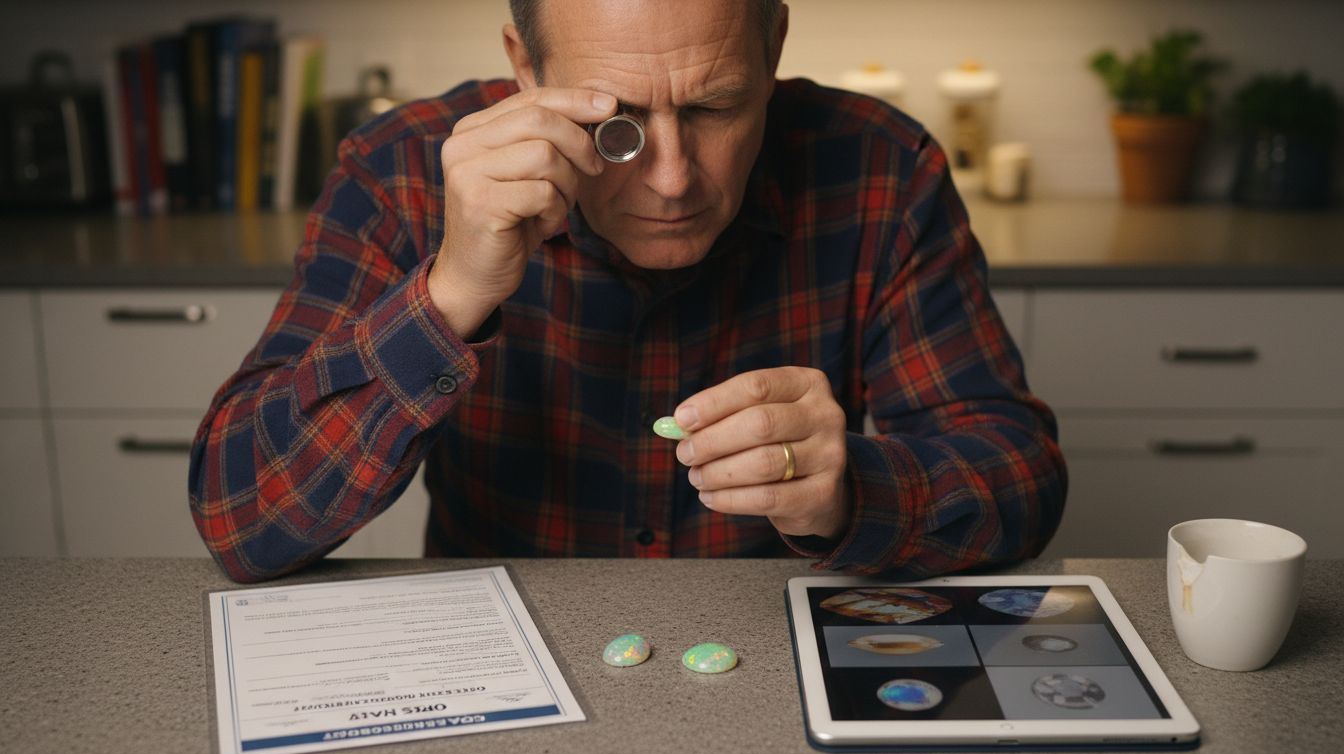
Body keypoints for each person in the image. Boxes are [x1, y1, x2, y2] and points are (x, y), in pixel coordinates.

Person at [189, 0, 1066, 583]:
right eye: (617, 123)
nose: (673, 180)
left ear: (773, 50)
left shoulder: (881, 169)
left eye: (715, 109)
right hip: (502, 666)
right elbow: (240, 517)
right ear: (525, 68)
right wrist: (450, 292)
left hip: (771, 655)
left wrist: (850, 491)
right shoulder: (401, 173)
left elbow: (1020, 475)